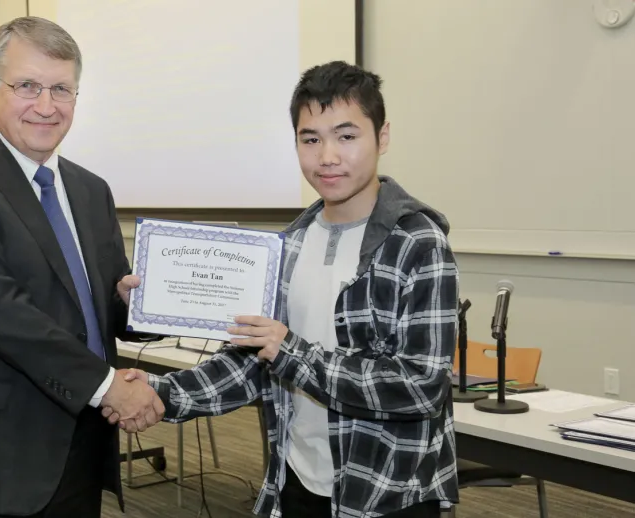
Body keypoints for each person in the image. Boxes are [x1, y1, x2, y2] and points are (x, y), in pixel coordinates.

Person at [107, 61, 459, 517]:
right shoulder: (288, 244)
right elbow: (255, 364)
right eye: (310, 139)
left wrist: (290, 351)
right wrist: (160, 391)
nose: (327, 156)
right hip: (294, 483)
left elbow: (419, 386)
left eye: (347, 136)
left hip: (387, 493)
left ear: (382, 137)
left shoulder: (418, 243)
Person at [0, 16, 163, 518]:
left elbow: (96, 305)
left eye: (61, 89)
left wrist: (132, 304)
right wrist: (109, 388)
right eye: (28, 86)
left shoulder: (91, 190)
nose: (46, 106)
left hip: (80, 443)